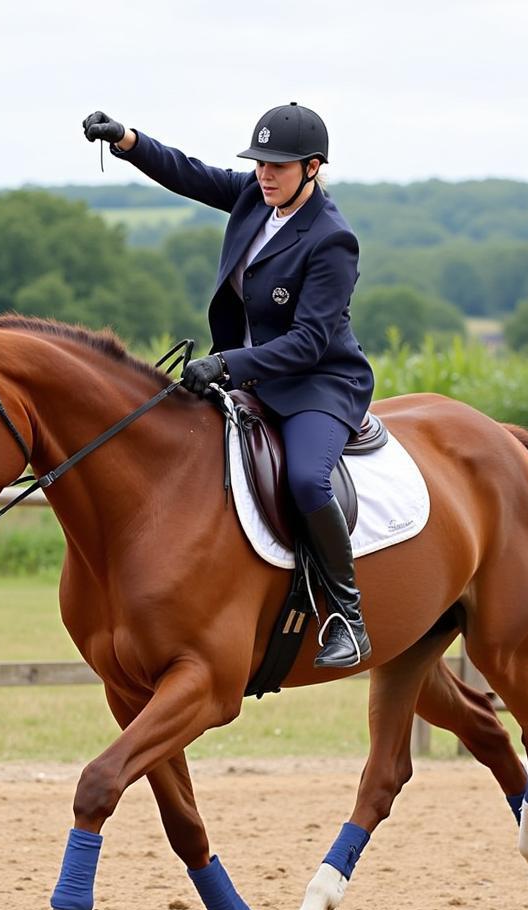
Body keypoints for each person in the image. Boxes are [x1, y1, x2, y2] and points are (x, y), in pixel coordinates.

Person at [82, 104, 374, 668]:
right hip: (247, 376)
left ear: (312, 168)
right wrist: (127, 139)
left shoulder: (333, 239)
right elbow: (188, 173)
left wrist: (228, 365)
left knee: (309, 483)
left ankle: (347, 614)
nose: (265, 174)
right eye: (260, 162)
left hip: (317, 384)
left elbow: (310, 343)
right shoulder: (253, 196)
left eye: (279, 166)